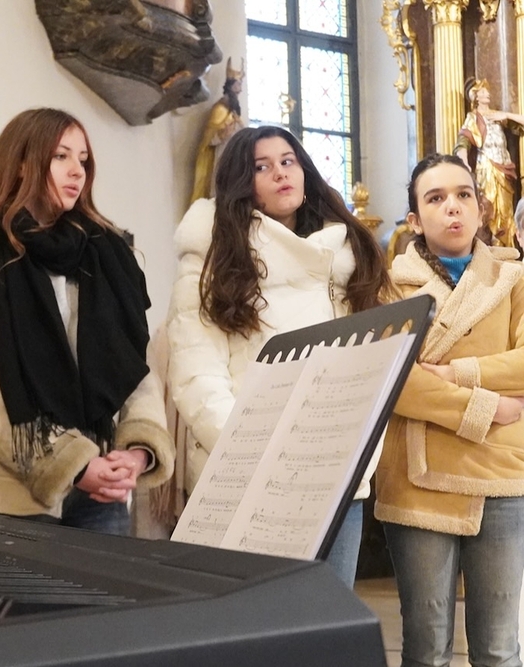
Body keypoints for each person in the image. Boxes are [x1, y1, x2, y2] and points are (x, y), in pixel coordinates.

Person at [0, 108, 174, 534]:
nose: (77, 170)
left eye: (83, 160)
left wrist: (136, 450)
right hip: (6, 496)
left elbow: (134, 366)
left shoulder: (107, 256)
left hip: (101, 491)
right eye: (61, 156)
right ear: (22, 163)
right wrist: (73, 465)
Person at [166, 125, 394, 586]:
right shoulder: (212, 258)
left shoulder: (344, 256)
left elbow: (370, 364)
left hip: (335, 471)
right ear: (240, 182)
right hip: (253, 476)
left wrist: (359, 444)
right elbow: (197, 375)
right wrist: (258, 454)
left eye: (288, 161)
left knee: (329, 616)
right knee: (262, 621)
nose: (280, 173)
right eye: (262, 167)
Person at [375, 153, 524, 667]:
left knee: (500, 648)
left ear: (481, 208)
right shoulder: (388, 286)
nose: (452, 207)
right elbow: (397, 381)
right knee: (426, 647)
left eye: (463, 195)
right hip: (417, 478)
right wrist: (489, 407)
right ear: (415, 219)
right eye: (435, 198)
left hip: (501, 474)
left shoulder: (513, 278)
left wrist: (457, 373)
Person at [455, 78, 524, 249]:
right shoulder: (473, 118)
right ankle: (491, 248)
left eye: (487, 90)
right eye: (483, 91)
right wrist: (464, 163)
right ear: (476, 96)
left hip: (504, 170)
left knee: (506, 212)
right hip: (487, 169)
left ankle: (506, 248)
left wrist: (507, 115)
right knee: (490, 210)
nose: (488, 94)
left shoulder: (497, 115)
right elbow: (463, 142)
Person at [190, 57, 245, 203]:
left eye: (241, 84)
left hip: (234, 155)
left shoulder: (234, 109)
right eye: (238, 84)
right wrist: (222, 134)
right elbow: (209, 139)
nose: (241, 88)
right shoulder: (220, 109)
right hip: (221, 154)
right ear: (231, 86)